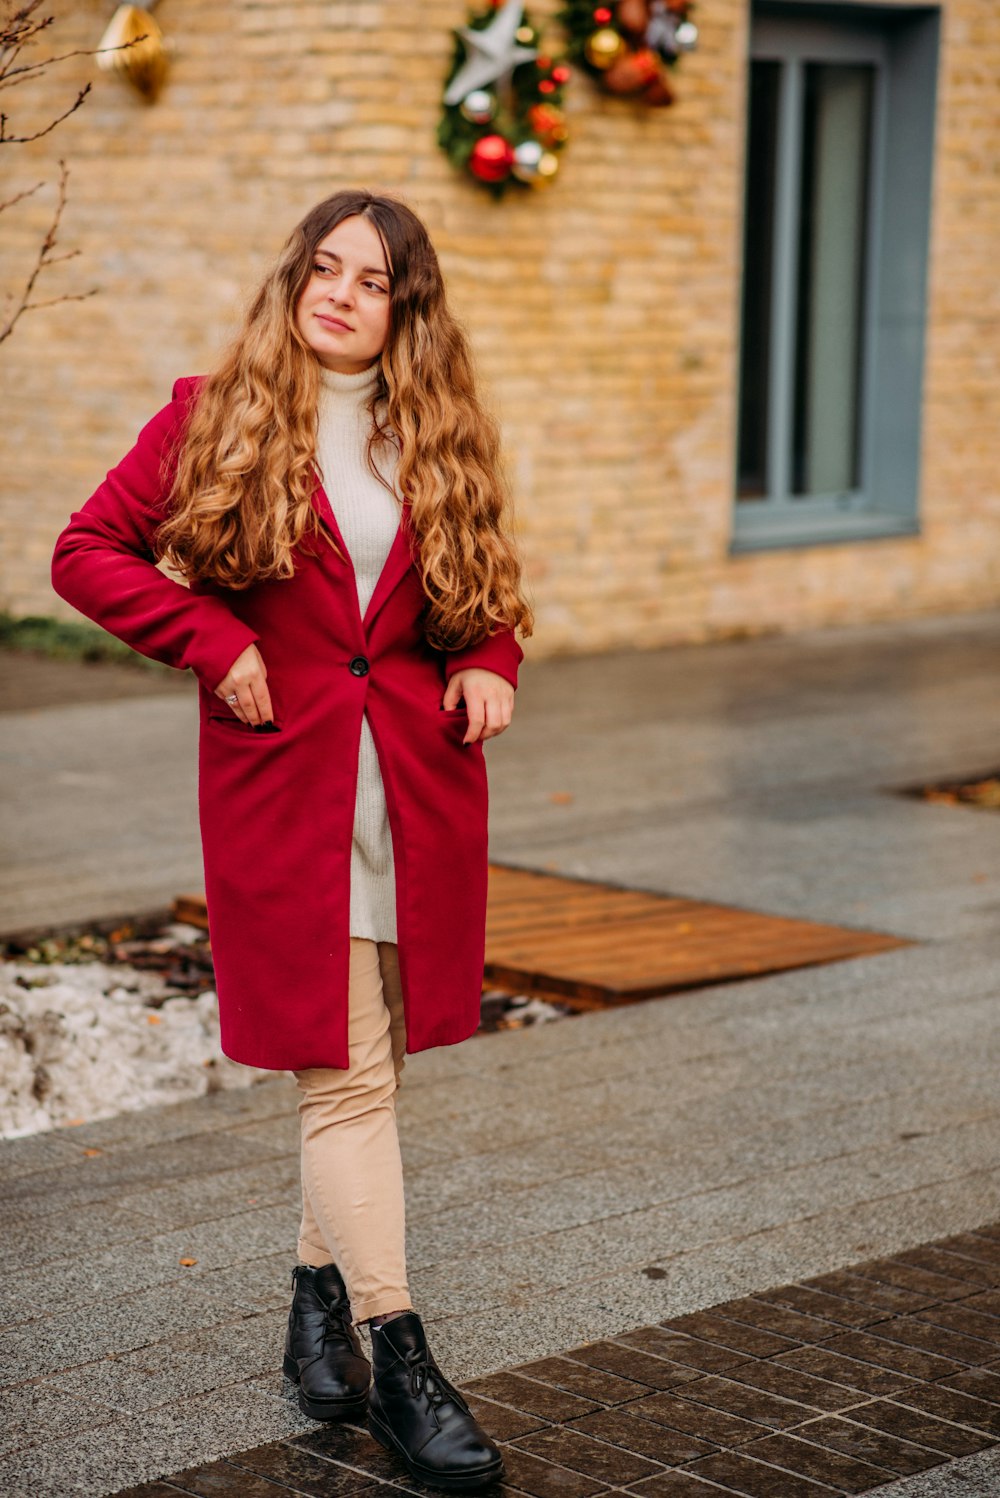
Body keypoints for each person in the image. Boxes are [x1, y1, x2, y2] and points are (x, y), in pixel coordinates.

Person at [51, 188, 533, 1492]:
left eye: (370, 281)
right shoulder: (217, 411)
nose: (339, 293)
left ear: (404, 308)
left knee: (366, 1065)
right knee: (349, 1076)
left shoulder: (434, 432)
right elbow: (87, 551)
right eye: (324, 268)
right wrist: (216, 638)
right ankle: (401, 1356)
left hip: (415, 796)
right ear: (296, 277)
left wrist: (490, 658)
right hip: (288, 793)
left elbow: (483, 595)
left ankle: (313, 1308)